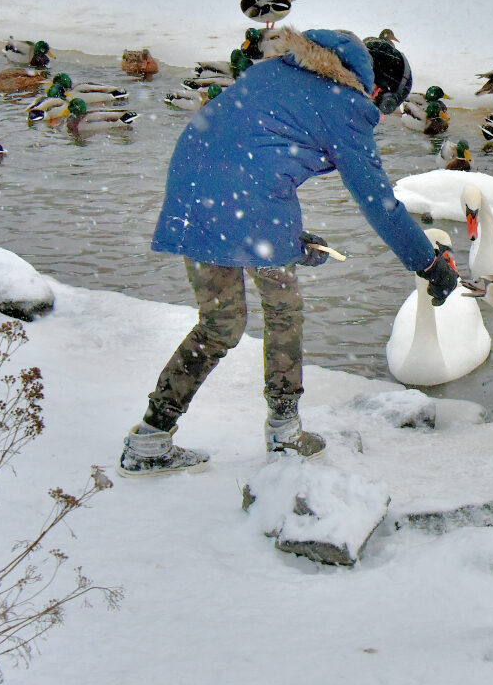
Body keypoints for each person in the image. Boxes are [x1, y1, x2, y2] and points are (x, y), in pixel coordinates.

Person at [120, 27, 458, 476]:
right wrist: (429, 263)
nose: (375, 115)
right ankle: (285, 430)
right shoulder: (348, 104)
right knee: (283, 313)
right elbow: (379, 204)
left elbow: (253, 153)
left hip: (192, 183)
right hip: (246, 198)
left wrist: (287, 240)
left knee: (219, 323)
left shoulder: (280, 69)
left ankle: (150, 438)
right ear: (377, 91)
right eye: (382, 108)